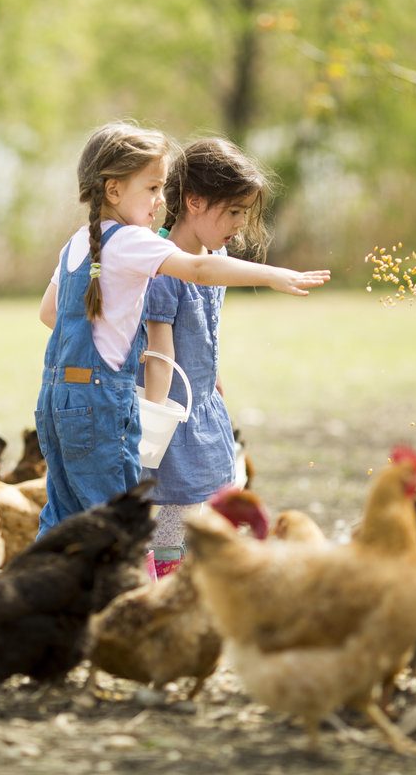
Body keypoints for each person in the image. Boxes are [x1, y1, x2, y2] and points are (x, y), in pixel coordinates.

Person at [34, 121, 330, 540]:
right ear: (114, 191)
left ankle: (35, 590)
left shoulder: (79, 241)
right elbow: (199, 268)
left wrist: (112, 340)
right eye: (153, 188)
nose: (161, 198)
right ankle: (141, 595)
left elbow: (50, 314)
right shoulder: (132, 241)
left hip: (56, 401)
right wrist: (274, 275)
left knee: (62, 517)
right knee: (124, 528)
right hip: (101, 406)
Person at [139, 138, 271, 577]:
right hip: (172, 417)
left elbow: (205, 328)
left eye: (243, 213)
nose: (239, 224)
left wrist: (211, 374)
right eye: (232, 212)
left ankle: (200, 589)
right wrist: (151, 431)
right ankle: (166, 593)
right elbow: (159, 356)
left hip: (203, 405)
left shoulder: (217, 256)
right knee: (171, 515)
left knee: (209, 508)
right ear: (194, 202)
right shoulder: (164, 271)